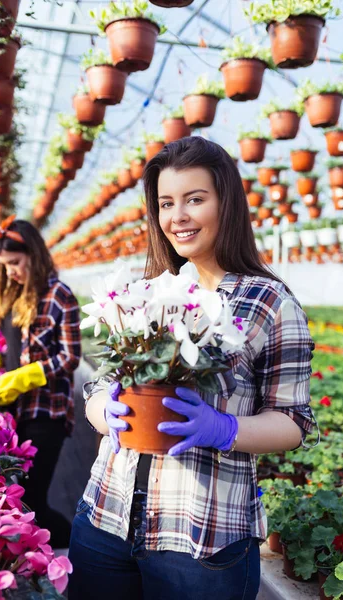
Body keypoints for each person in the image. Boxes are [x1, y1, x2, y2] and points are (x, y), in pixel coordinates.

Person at [68, 137, 315, 599]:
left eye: (194, 199)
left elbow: (292, 423)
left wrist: (222, 429)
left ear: (227, 205)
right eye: (166, 203)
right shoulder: (148, 291)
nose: (177, 216)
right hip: (105, 517)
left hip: (201, 539)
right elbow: (100, 385)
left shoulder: (269, 303)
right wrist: (105, 411)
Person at [0, 216, 81, 549]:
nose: (11, 272)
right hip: (16, 411)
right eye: (5, 266)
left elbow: (70, 356)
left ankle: (77, 547)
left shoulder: (59, 295)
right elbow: (14, 347)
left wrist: (30, 374)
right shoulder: (16, 295)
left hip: (47, 413)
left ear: (34, 254)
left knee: (32, 499)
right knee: (18, 494)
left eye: (15, 263)